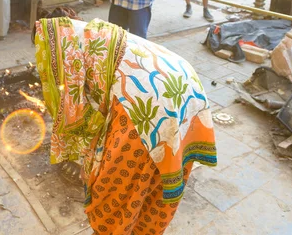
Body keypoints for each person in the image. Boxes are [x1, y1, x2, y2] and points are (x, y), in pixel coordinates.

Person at [34, 17, 217, 235]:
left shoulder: (66, 52)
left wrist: (89, 157)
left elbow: (74, 110)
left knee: (114, 188)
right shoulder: (96, 34)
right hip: (187, 89)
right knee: (154, 185)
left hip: (147, 102)